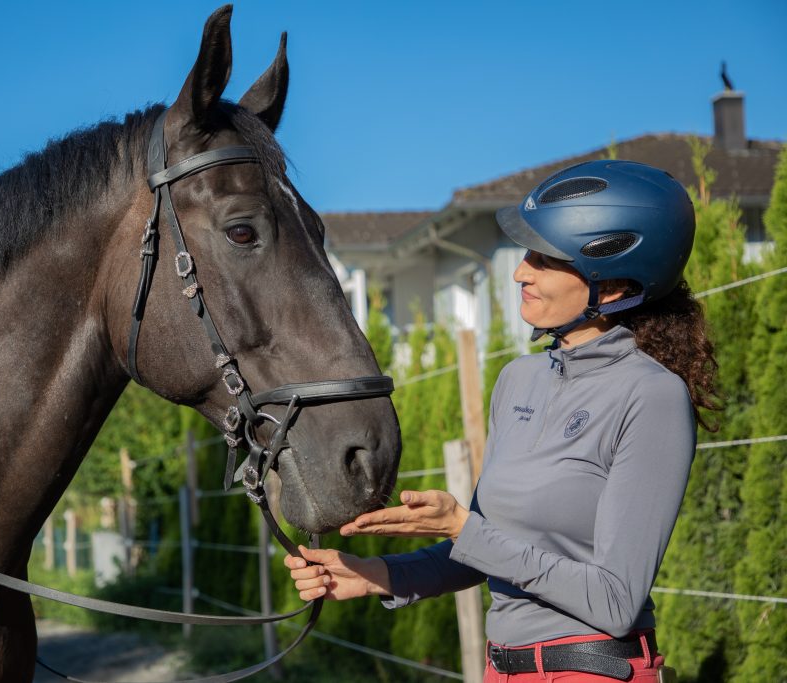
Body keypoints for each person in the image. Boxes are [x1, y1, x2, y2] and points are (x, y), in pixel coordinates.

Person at [285, 160, 720, 682]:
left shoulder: (651, 396)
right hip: (501, 671)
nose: (520, 272)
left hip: (590, 671)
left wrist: (464, 527)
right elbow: (479, 554)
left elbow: (616, 599)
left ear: (612, 283)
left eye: (545, 259)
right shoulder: (518, 380)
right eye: (526, 255)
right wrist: (371, 575)